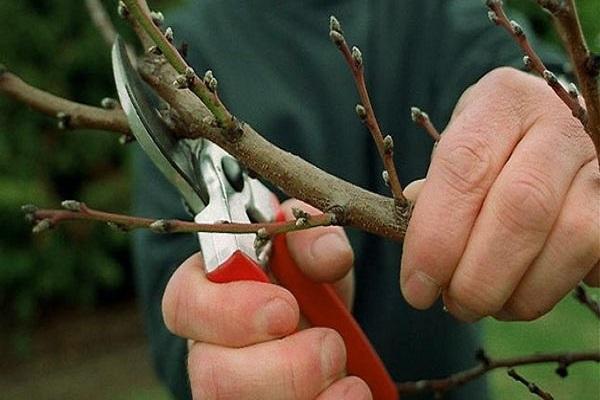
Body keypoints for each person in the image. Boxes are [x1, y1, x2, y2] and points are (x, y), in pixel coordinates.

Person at [131, 1, 599, 399]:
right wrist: (231, 342)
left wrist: (561, 117)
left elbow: (524, 70)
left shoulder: (435, 10)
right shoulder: (185, 54)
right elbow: (176, 311)